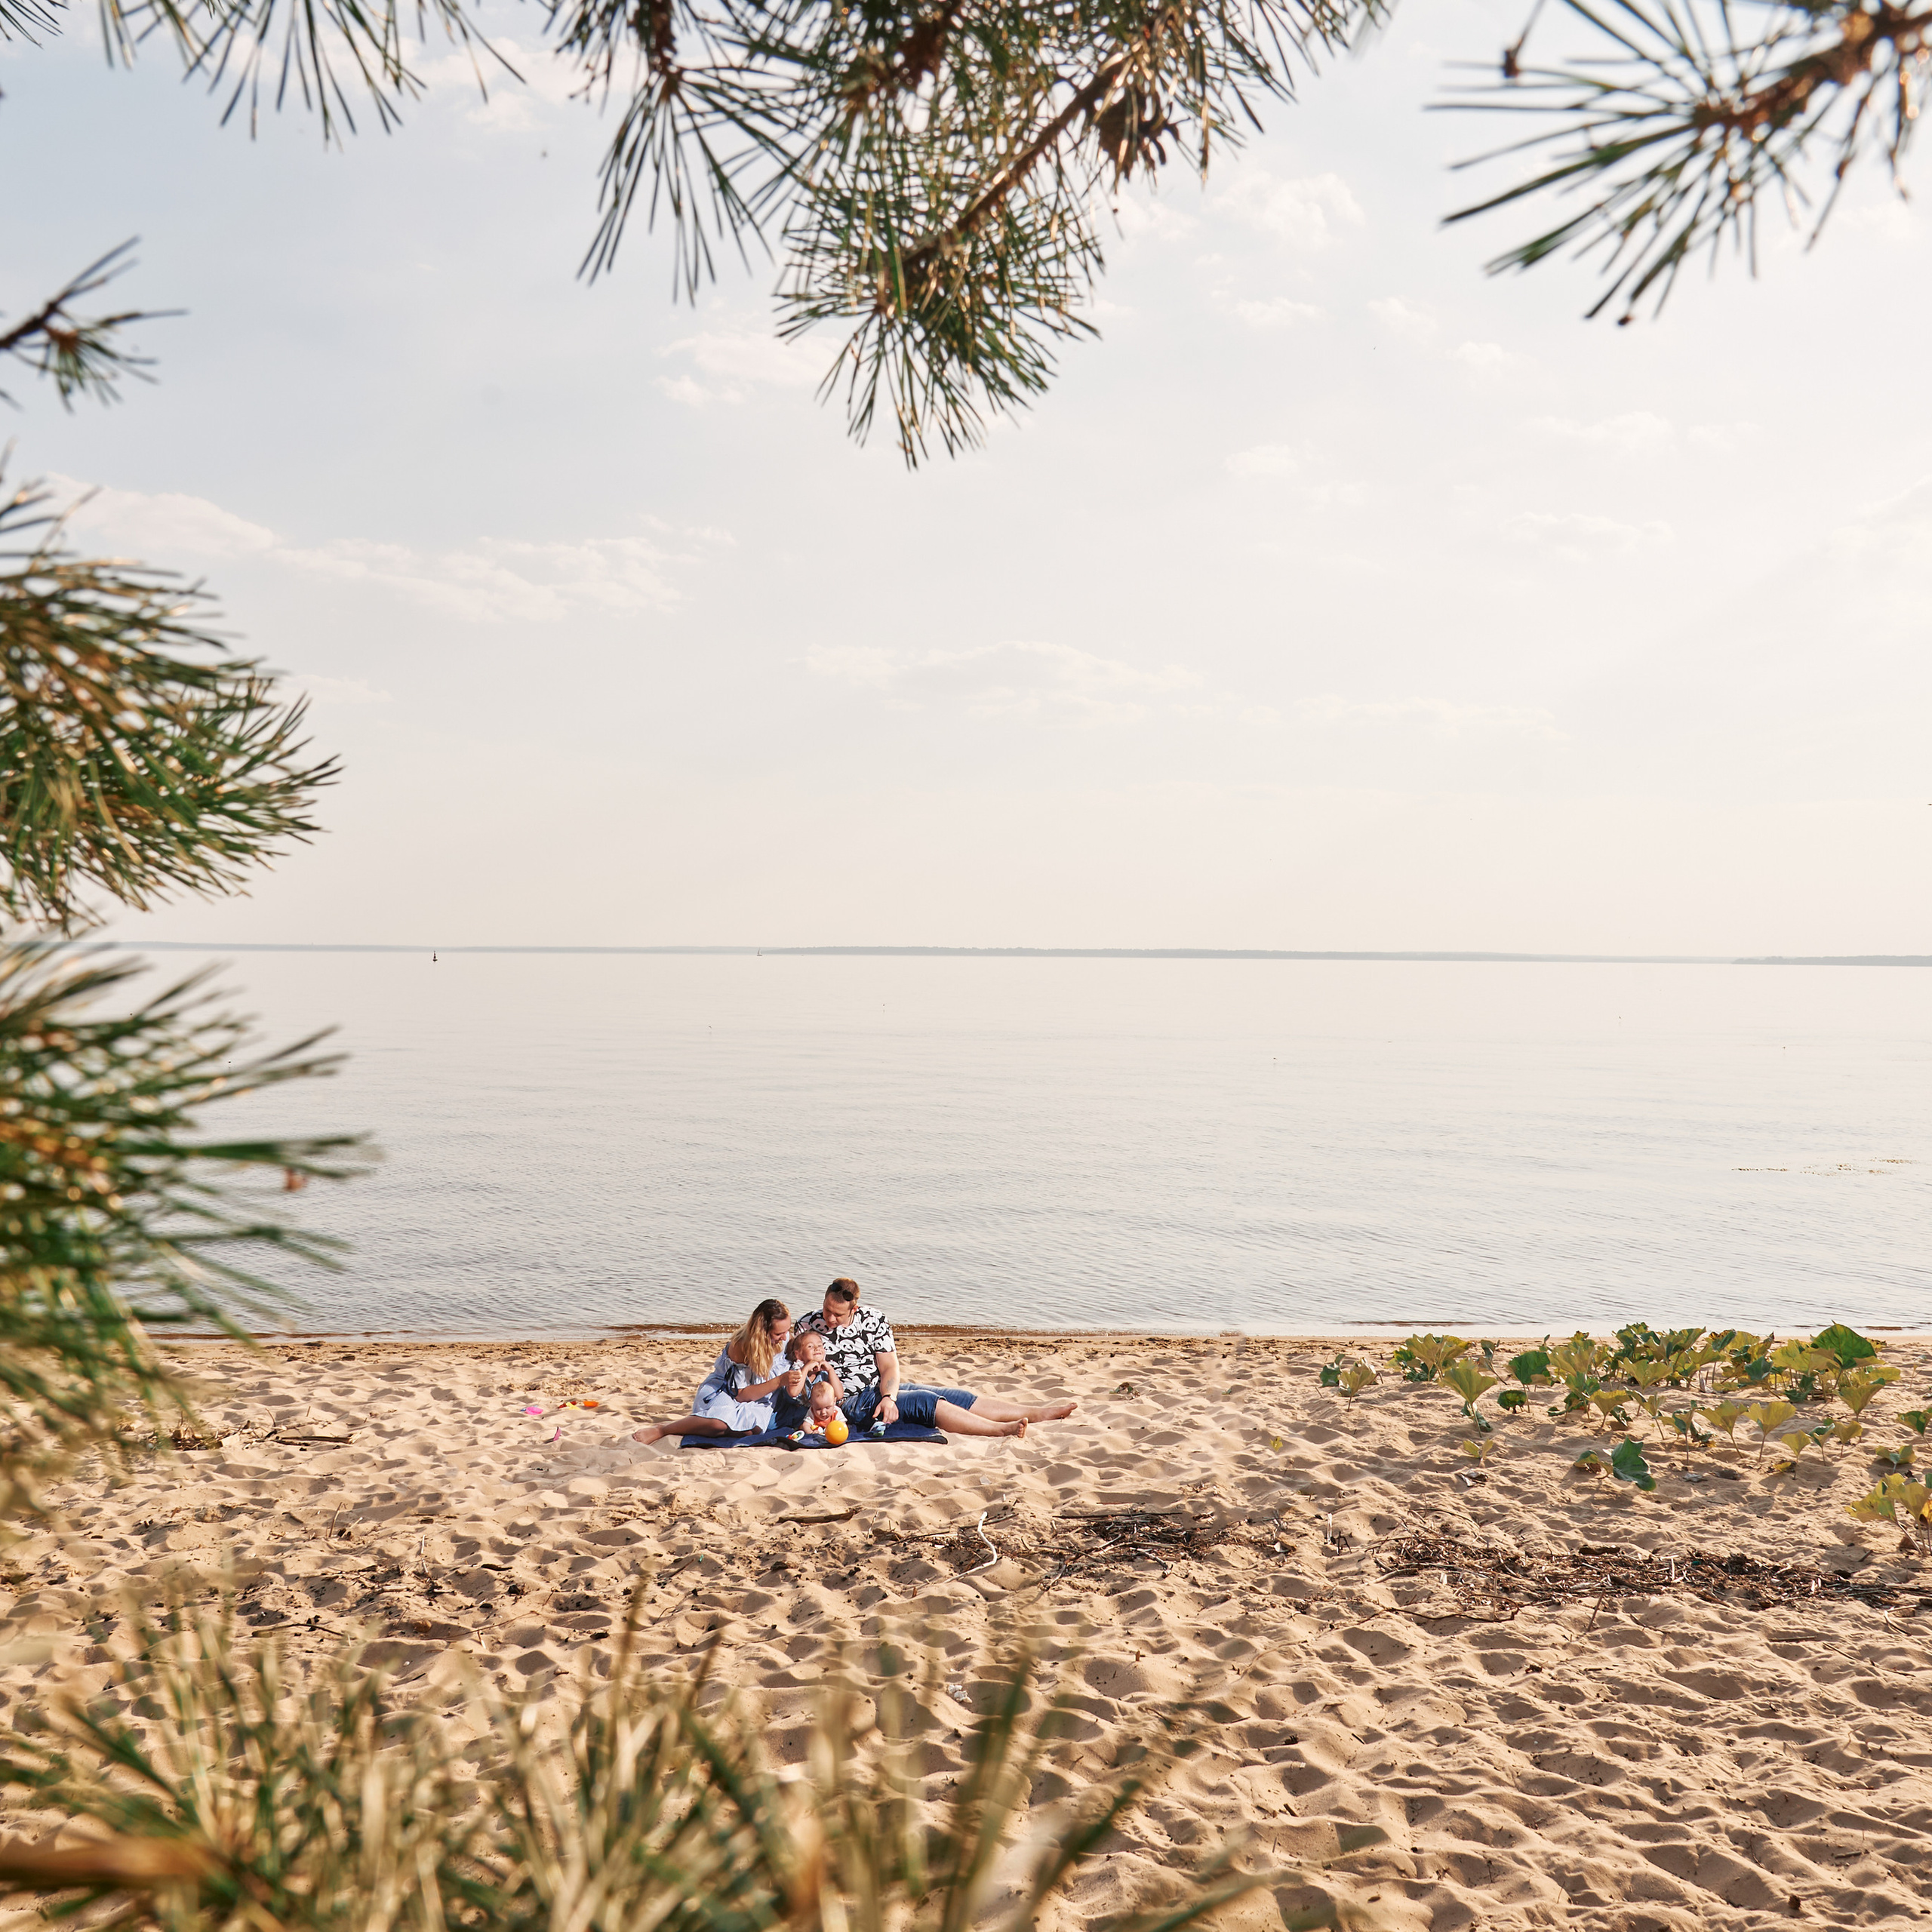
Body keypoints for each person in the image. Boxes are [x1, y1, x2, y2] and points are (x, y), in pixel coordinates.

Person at [794, 1277, 1078, 1439]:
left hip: (877, 1388)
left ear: (854, 1309)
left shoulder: (873, 1319)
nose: (828, 1318)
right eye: (826, 1309)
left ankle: (1036, 1413)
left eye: (837, 1314)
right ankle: (999, 1430)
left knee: (953, 1395)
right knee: (926, 1402)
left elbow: (889, 1367)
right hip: (849, 1400)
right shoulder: (807, 1325)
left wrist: (889, 1397)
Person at [630, 1297, 796, 1444]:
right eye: (779, 1333)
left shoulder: (784, 1339)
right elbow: (741, 1394)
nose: (785, 1336)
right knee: (718, 1424)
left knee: (748, 1428)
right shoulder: (741, 1347)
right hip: (725, 1391)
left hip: (759, 1396)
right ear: (762, 1332)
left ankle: (706, 1426)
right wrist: (780, 1381)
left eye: (788, 1330)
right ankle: (663, 1430)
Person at [770, 1327, 844, 1432]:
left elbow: (839, 1395)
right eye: (810, 1346)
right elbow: (793, 1393)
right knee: (769, 1426)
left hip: (815, 1413)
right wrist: (805, 1369)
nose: (817, 1348)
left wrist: (830, 1370)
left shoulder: (824, 1372)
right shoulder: (796, 1370)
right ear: (798, 1355)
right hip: (790, 1411)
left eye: (819, 1345)